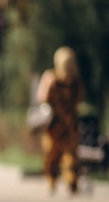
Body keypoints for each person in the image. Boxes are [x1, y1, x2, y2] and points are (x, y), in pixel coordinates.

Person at [36, 46, 85, 194]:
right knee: (52, 154)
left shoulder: (76, 82)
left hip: (69, 124)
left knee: (71, 155)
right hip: (54, 124)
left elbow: (80, 99)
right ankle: (52, 180)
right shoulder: (51, 78)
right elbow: (43, 98)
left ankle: (72, 181)